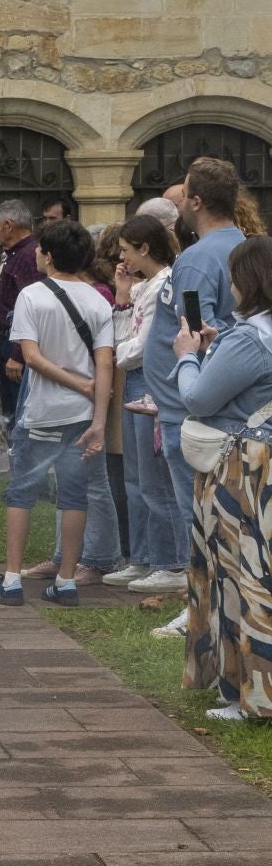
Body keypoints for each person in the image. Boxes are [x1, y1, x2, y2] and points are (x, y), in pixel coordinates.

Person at [0, 219, 114, 607]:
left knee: (21, 492)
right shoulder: (97, 299)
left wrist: (77, 384)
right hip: (85, 415)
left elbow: (33, 358)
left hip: (42, 411)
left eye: (40, 250)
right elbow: (104, 364)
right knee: (74, 495)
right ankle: (67, 581)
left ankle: (10, 581)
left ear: (49, 256)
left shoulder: (32, 296)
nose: (36, 254)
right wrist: (99, 419)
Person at [143, 155, 245, 639]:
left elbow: (198, 334)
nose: (179, 203)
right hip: (203, 404)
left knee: (196, 512)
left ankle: (201, 610)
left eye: (183, 194)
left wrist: (181, 389)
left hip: (192, 409)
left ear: (197, 202)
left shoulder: (200, 259)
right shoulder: (239, 247)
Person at [176, 234, 272, 722]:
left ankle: (245, 694)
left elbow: (197, 399)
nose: (229, 285)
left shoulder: (250, 337)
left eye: (235, 276)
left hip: (242, 468)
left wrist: (188, 356)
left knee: (237, 576)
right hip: (264, 463)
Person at [106, 212, 187, 593]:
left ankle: (170, 562)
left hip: (150, 380)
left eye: (126, 250)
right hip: (136, 377)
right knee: (135, 476)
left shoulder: (164, 285)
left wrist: (114, 354)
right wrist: (122, 295)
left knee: (155, 481)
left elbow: (142, 345)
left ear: (145, 247)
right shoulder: (143, 287)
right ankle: (141, 557)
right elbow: (124, 331)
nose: (123, 259)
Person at [0, 198, 42, 432]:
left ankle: (22, 466)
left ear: (8, 225)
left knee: (19, 416)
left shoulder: (29, 255)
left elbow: (33, 309)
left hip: (17, 343)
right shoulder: (16, 255)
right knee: (11, 414)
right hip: (8, 342)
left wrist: (18, 354)